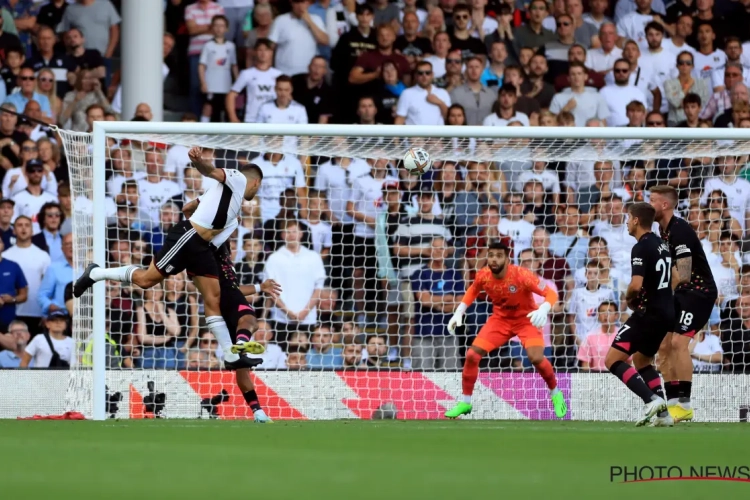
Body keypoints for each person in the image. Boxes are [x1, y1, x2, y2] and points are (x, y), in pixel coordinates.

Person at [73, 147, 264, 371]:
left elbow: (187, 207)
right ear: (256, 183)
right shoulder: (238, 178)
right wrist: (199, 162)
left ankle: (231, 356)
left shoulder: (228, 204)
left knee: (213, 299)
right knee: (146, 281)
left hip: (200, 248)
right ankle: (96, 273)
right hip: (188, 237)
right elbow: (211, 171)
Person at [443, 240, 567, 419]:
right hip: (500, 321)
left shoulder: (523, 275)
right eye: (491, 255)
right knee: (471, 355)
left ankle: (555, 392)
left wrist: (544, 308)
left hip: (526, 320)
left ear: (507, 260)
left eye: (499, 256)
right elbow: (473, 290)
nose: (494, 260)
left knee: (536, 358)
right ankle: (465, 402)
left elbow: (551, 293)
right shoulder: (483, 275)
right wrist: (459, 312)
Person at [650, 185, 718, 423]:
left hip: (698, 293)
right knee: (664, 345)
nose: (649, 205)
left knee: (679, 342)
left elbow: (685, 275)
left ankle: (686, 405)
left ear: (665, 205)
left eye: (652, 200)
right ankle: (671, 405)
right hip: (680, 294)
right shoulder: (662, 230)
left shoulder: (680, 230)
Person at [603, 202, 673, 427]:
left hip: (648, 313)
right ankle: (664, 415)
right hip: (665, 312)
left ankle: (651, 399)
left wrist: (629, 298)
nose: (626, 222)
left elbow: (635, 284)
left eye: (628, 217)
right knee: (642, 360)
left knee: (612, 360)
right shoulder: (662, 244)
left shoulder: (641, 247)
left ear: (635, 220)